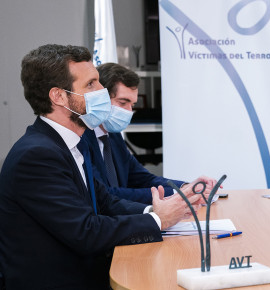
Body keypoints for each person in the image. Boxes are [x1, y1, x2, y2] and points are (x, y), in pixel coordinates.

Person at [0, 44, 206, 289]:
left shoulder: (70, 143)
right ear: (58, 96)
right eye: (91, 84)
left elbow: (106, 201)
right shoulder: (37, 156)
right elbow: (85, 232)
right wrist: (157, 220)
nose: (101, 91)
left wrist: (157, 209)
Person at [81, 63, 210, 204]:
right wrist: (178, 194)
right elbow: (106, 194)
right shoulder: (81, 138)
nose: (129, 111)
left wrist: (186, 187)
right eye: (123, 103)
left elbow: (142, 178)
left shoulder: (113, 135)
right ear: (100, 99)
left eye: (133, 105)